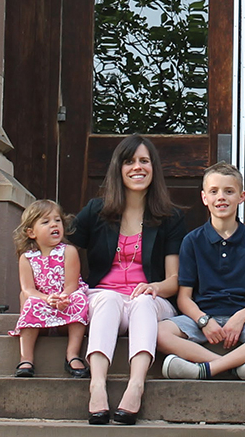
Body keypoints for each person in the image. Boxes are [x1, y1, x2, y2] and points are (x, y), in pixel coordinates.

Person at [67, 135, 186, 425]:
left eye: (144, 161)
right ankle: (97, 385)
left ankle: (136, 385)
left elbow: (174, 279)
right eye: (130, 161)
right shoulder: (97, 210)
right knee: (107, 298)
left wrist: (154, 287)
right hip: (104, 298)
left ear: (154, 168)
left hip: (152, 302)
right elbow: (65, 248)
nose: (137, 167)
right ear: (118, 168)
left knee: (144, 301)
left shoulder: (170, 217)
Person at [157, 162, 245, 380]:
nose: (221, 197)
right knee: (158, 333)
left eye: (229, 191)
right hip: (202, 318)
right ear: (204, 198)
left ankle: (207, 369)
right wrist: (203, 321)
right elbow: (184, 298)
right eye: (214, 191)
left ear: (242, 196)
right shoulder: (192, 241)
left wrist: (239, 318)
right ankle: (232, 367)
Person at [8, 199, 90, 379]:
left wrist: (62, 298)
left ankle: (72, 354)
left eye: (57, 220)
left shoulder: (68, 251)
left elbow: (72, 285)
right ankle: (26, 358)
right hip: (42, 309)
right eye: (45, 222)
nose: (54, 224)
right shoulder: (27, 258)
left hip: (65, 306)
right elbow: (28, 288)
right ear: (31, 232)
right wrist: (47, 299)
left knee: (80, 299)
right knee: (28, 300)